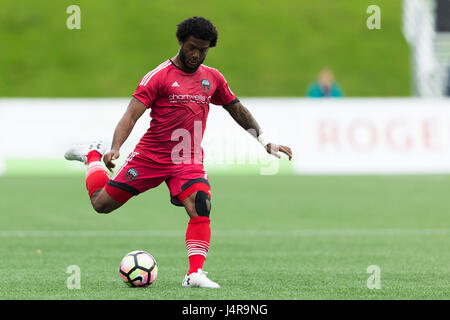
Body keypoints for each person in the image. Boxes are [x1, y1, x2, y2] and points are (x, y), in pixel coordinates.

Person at [64, 16, 292, 288]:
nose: (197, 54)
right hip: (150, 157)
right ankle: (91, 154)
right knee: (101, 204)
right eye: (192, 47)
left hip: (187, 159)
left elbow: (237, 109)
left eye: (203, 49)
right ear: (181, 42)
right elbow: (130, 115)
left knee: (200, 205)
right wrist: (115, 147)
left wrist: (264, 140)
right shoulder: (159, 76)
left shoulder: (213, 78)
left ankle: (194, 274)